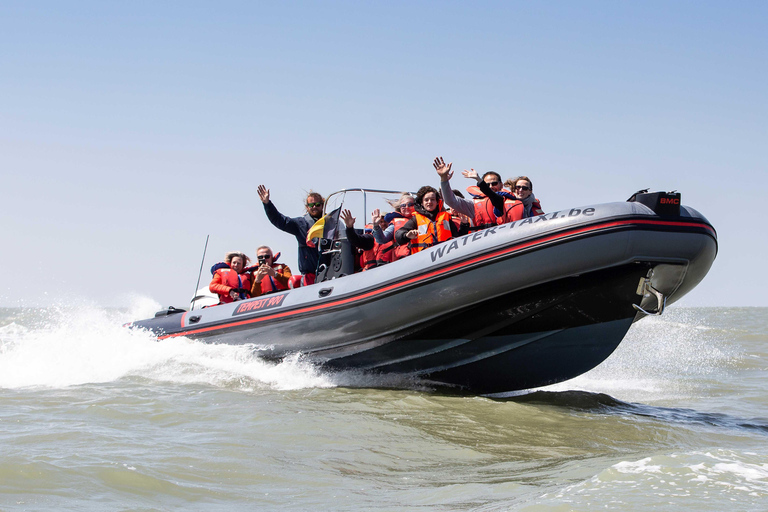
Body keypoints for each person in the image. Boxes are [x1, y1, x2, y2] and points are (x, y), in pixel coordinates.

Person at [257, 185, 323, 286]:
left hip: (330, 271)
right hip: (311, 276)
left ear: (323, 205)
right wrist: (267, 204)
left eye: (318, 204)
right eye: (311, 205)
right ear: (307, 207)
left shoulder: (332, 223)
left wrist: (349, 227)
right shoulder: (300, 224)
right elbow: (279, 220)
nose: (314, 207)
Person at [433, 156, 522, 229]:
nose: (491, 187)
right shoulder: (474, 205)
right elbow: (451, 201)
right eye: (487, 185)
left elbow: (496, 199)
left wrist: (480, 181)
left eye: (494, 183)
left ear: (501, 185)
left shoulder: (514, 201)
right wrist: (444, 179)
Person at [394, 185, 461, 254]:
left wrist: (465, 224)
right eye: (426, 200)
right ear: (422, 203)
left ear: (437, 202)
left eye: (432, 199)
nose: (429, 202)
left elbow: (457, 237)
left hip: (445, 255)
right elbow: (398, 235)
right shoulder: (415, 219)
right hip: (424, 258)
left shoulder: (446, 217)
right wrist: (406, 235)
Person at [372, 192, 415, 262]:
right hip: (403, 260)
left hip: (420, 256)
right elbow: (382, 239)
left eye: (410, 205)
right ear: (400, 208)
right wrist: (376, 226)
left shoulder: (422, 219)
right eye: (403, 205)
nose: (407, 207)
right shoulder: (395, 223)